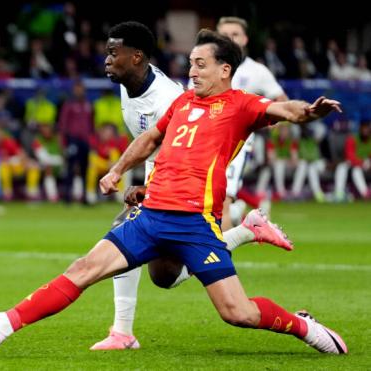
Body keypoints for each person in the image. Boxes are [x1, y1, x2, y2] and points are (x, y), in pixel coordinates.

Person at [0, 29, 347, 355]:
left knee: (237, 313)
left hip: (195, 222)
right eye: (190, 63)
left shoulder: (241, 105)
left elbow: (287, 110)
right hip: (152, 214)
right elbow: (149, 138)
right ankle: (2, 324)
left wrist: (310, 112)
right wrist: (117, 171)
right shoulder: (181, 103)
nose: (191, 71)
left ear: (225, 69)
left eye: (200, 64)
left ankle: (303, 327)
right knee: (84, 269)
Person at [87, 21, 292, 351]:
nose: (107, 59)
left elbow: (178, 150)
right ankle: (247, 231)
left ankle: (122, 332)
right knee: (164, 276)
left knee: (126, 229)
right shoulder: (130, 84)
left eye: (114, 53)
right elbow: (151, 141)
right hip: (170, 169)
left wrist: (147, 187)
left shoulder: (176, 95)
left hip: (200, 171)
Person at [209, 16, 289, 229]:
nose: (229, 39)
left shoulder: (257, 71)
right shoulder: (204, 66)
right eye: (224, 35)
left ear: (244, 39)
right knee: (202, 203)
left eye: (234, 34)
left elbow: (283, 103)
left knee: (221, 201)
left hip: (236, 144)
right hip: (205, 142)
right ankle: (237, 215)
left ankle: (217, 259)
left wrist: (268, 123)